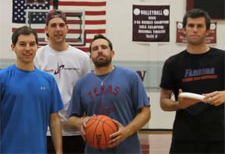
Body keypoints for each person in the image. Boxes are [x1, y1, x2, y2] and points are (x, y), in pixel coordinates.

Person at [67, 34, 151, 153]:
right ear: (91, 57)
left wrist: (126, 131)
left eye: (104, 47)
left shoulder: (130, 77)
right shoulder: (81, 83)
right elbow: (71, 118)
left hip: (127, 148)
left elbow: (145, 112)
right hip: (95, 149)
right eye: (95, 49)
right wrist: (82, 122)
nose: (100, 51)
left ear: (112, 53)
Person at [160, 8, 225, 154]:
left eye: (200, 26)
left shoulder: (222, 59)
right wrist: (179, 104)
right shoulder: (172, 63)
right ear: (184, 29)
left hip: (218, 137)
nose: (195, 30)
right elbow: (164, 102)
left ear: (208, 31)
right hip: (184, 138)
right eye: (191, 26)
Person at [34, 9, 91, 153]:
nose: (57, 29)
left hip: (75, 131)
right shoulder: (37, 56)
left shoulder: (82, 57)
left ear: (67, 28)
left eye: (61, 25)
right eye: (53, 25)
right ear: (46, 29)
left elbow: (87, 93)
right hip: (45, 131)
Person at [0, 26, 64, 153]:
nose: (28, 49)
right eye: (22, 44)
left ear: (37, 47)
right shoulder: (3, 77)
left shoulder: (48, 80)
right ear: (13, 47)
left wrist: (59, 151)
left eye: (32, 44)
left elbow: (54, 119)